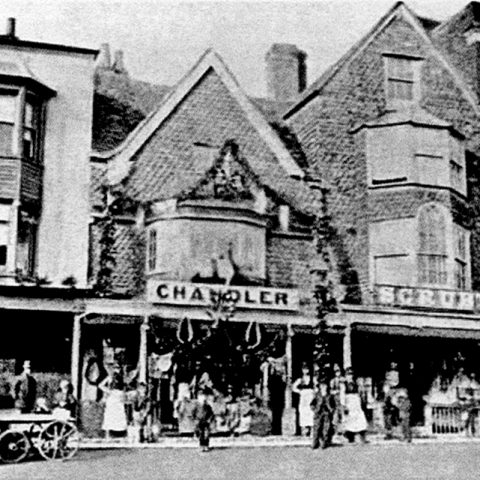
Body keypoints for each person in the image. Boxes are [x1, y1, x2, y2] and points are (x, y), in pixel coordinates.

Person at [99, 364, 128, 439]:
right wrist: (108, 391)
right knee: (110, 415)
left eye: (118, 368)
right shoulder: (110, 377)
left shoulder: (122, 378)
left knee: (120, 415)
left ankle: (122, 434)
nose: (117, 370)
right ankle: (108, 435)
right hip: (112, 397)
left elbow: (124, 388)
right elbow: (100, 385)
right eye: (115, 368)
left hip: (118, 397)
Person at [342, 368, 368, 444]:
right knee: (349, 419)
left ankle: (360, 434)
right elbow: (342, 396)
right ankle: (350, 435)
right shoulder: (344, 385)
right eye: (348, 374)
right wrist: (344, 405)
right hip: (348, 403)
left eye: (351, 374)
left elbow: (360, 395)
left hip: (356, 404)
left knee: (359, 418)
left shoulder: (357, 384)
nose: (350, 376)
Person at [311, 381, 336, 449]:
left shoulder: (329, 395)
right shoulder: (317, 395)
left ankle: (324, 443)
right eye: (321, 386)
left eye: (324, 386)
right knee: (316, 428)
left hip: (326, 413)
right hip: (318, 413)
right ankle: (315, 443)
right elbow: (312, 404)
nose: (323, 387)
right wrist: (314, 409)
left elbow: (333, 404)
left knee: (326, 428)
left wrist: (331, 410)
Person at [292, 364, 314, 436]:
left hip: (310, 396)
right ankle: (305, 430)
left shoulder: (312, 379)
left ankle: (311, 429)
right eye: (304, 369)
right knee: (303, 412)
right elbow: (293, 387)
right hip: (304, 397)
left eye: (307, 369)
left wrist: (313, 392)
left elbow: (317, 387)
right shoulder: (300, 379)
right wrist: (300, 391)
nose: (306, 371)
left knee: (311, 412)